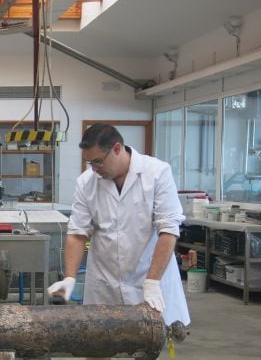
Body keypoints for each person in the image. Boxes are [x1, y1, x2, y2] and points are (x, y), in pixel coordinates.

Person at [47, 123, 190, 360]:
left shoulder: (157, 173)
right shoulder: (86, 182)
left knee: (147, 346)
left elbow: (168, 231)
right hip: (104, 280)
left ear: (116, 148)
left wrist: (153, 281)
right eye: (89, 163)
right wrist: (70, 276)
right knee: (96, 346)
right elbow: (77, 232)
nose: (94, 169)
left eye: (97, 162)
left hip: (147, 276)